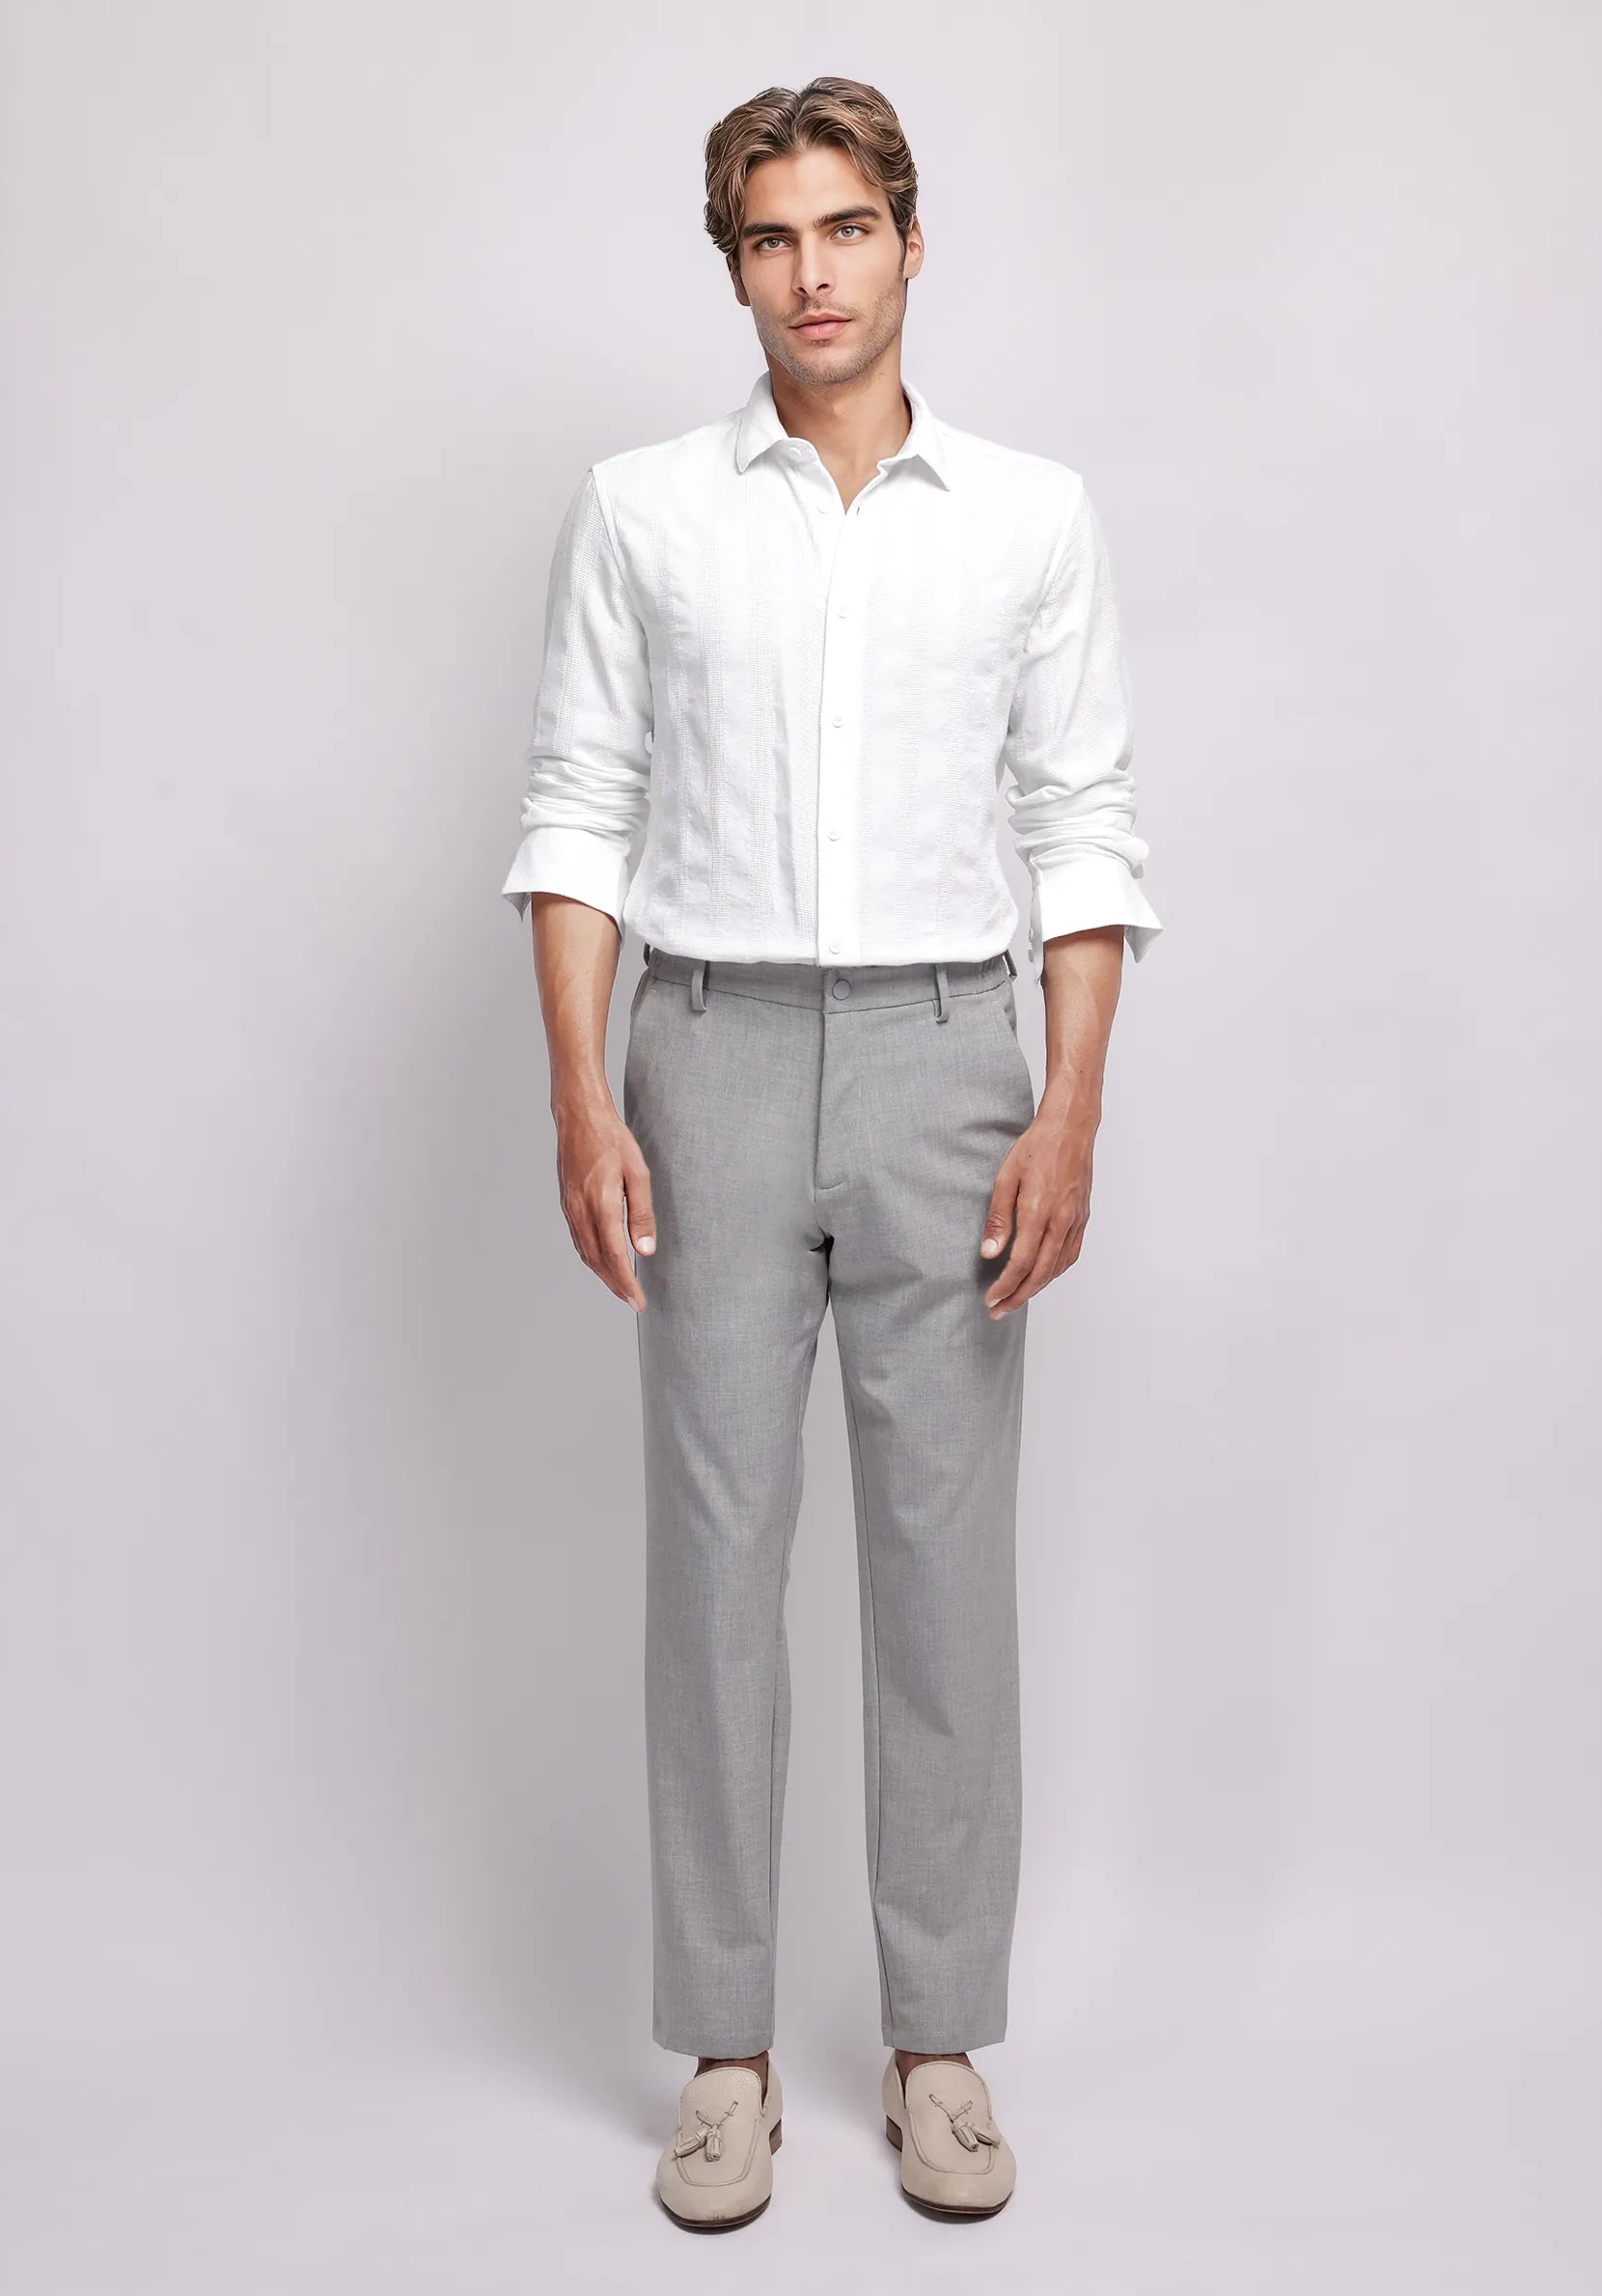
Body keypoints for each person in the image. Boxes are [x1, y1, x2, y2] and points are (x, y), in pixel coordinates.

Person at [503, 75, 1162, 2230]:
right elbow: (580, 802)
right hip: (699, 1049)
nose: (814, 273)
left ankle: (938, 2038)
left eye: (847, 228)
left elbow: (1080, 822)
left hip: (946, 1057)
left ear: (909, 241)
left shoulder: (1031, 515)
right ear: (735, 267)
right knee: (713, 1561)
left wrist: (1068, 1103)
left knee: (943, 1570)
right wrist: (581, 1091)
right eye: (773, 237)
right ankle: (723, 2052)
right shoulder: (643, 511)